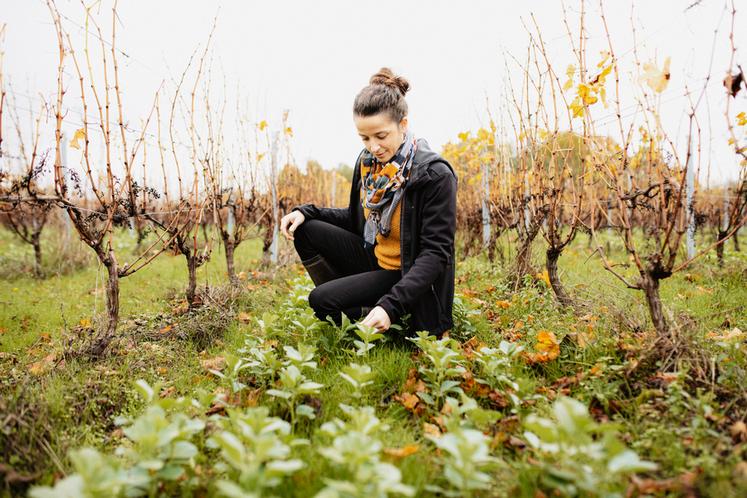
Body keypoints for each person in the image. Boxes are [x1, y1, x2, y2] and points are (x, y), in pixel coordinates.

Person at [279, 67, 457, 336]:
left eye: (381, 136)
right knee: (305, 229)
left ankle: (390, 314)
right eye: (365, 138)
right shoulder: (368, 165)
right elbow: (355, 219)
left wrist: (391, 304)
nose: (373, 147)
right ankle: (364, 301)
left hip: (407, 273)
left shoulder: (434, 174)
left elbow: (435, 254)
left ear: (403, 125)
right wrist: (306, 211)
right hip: (375, 258)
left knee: (321, 301)